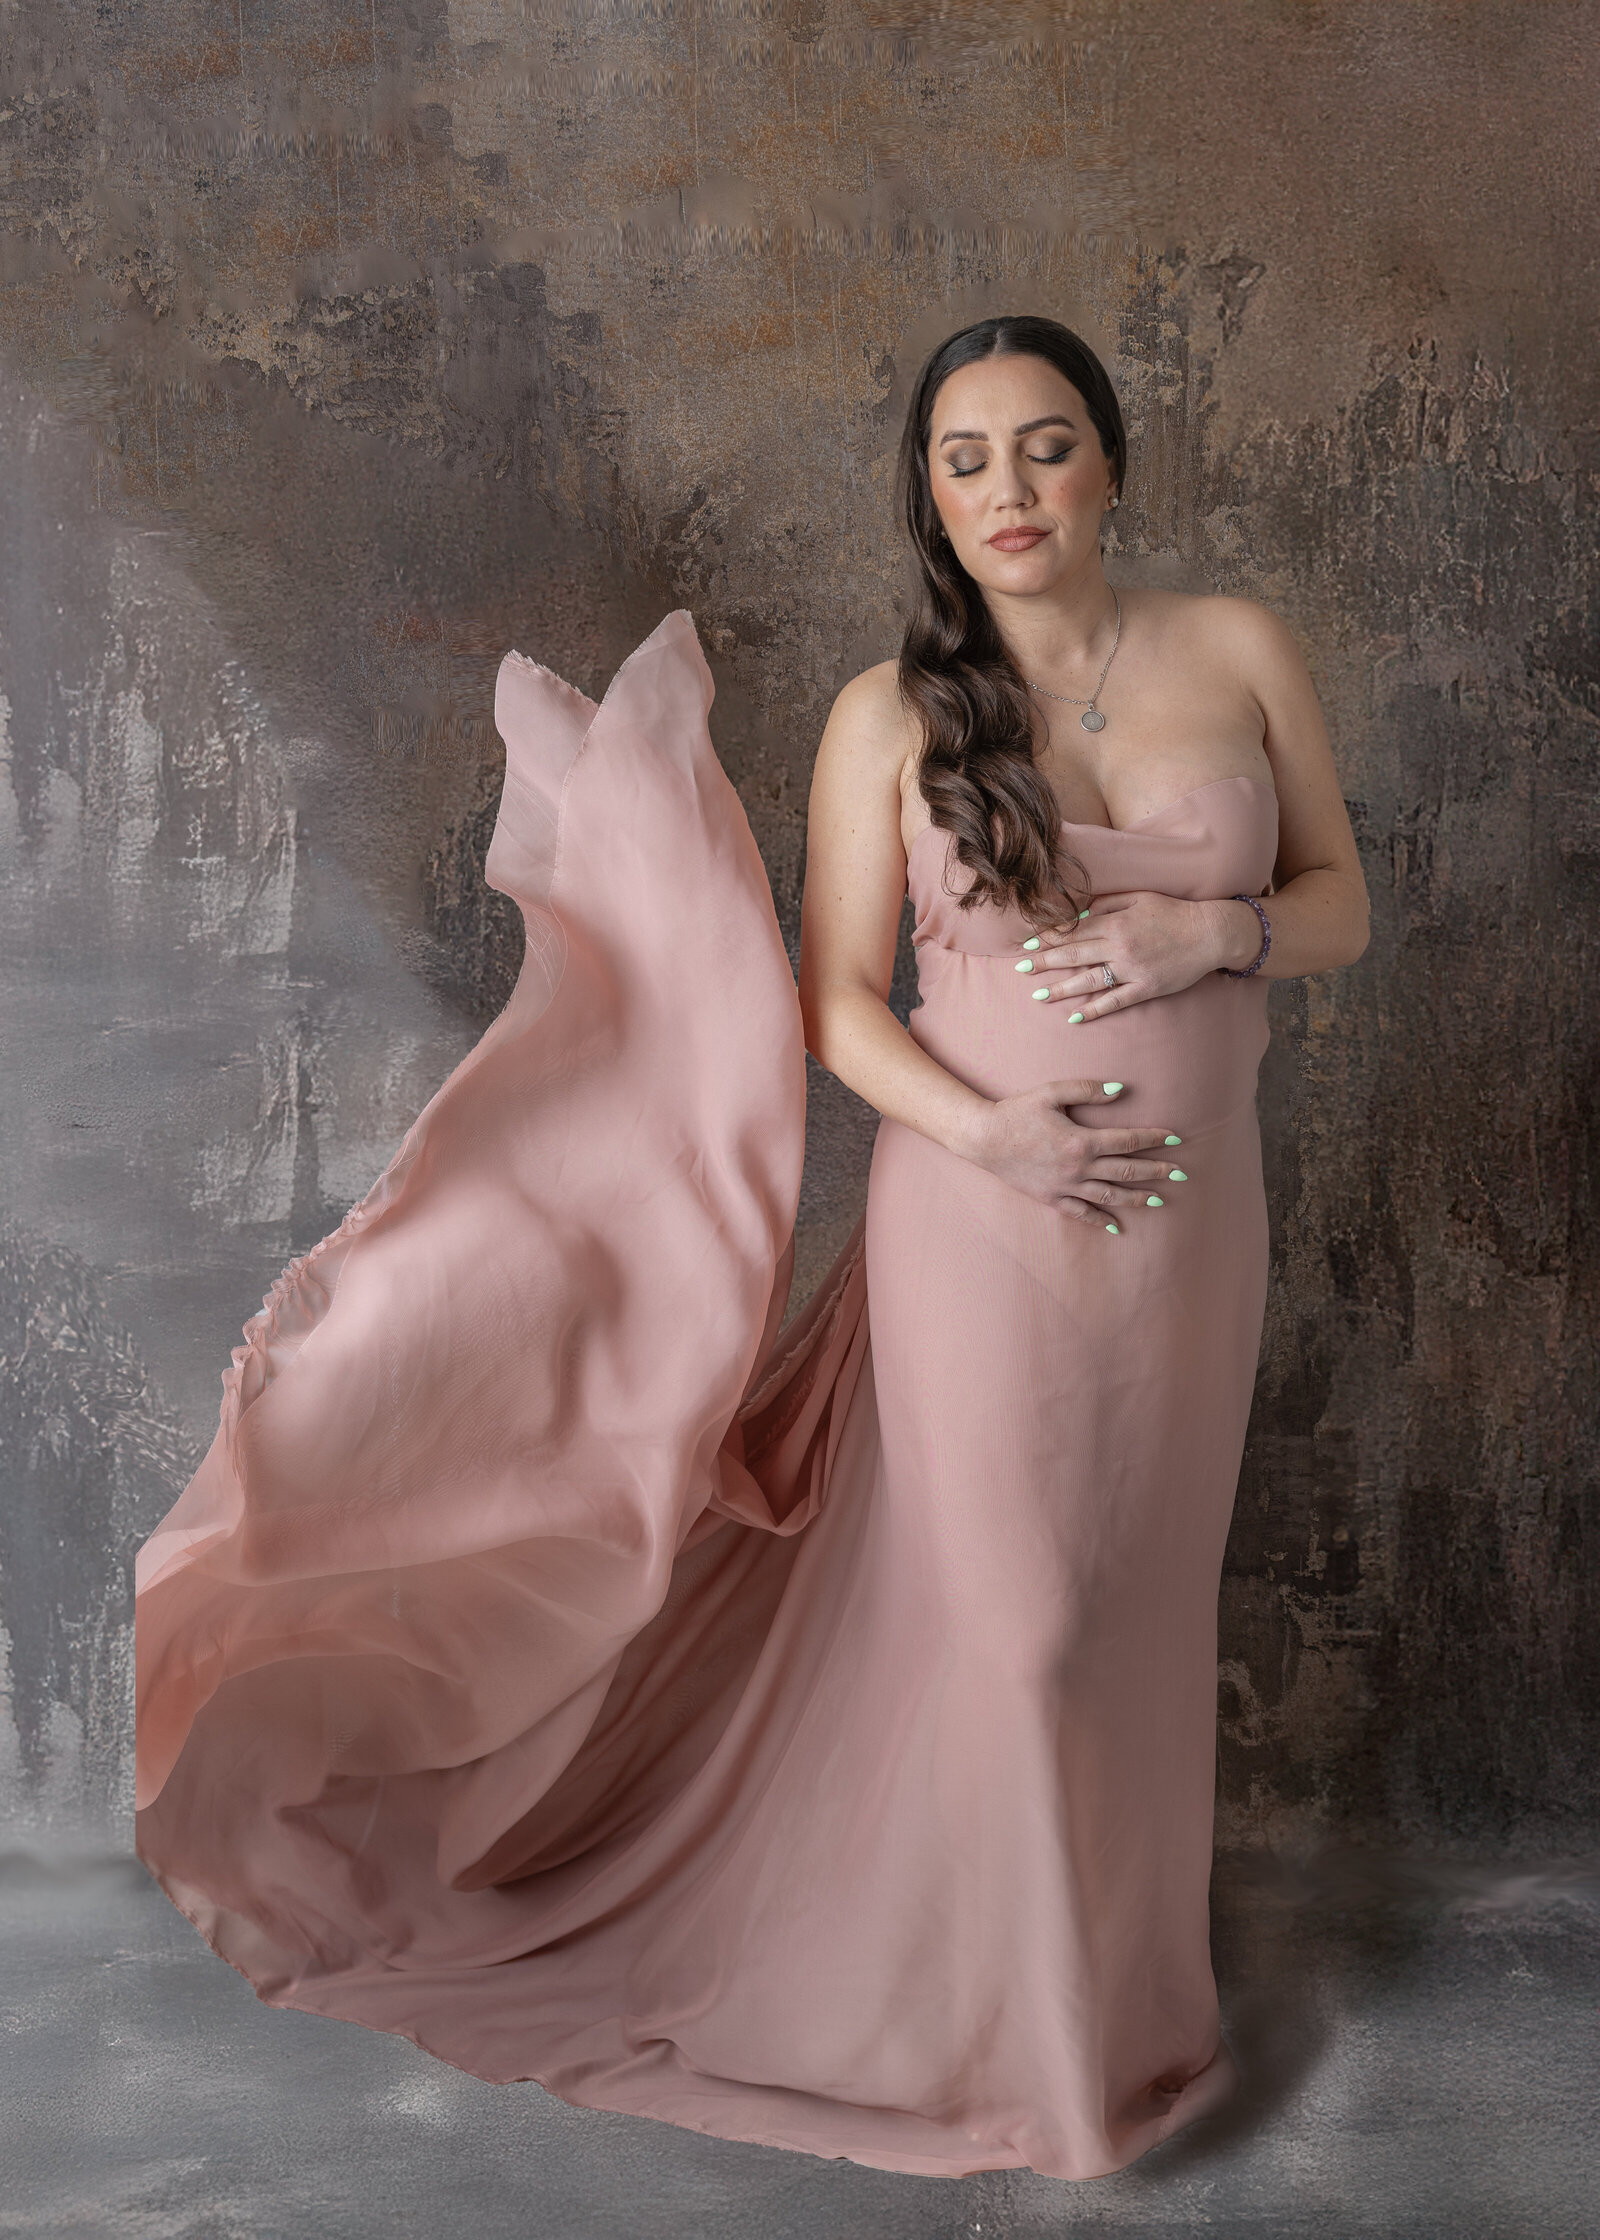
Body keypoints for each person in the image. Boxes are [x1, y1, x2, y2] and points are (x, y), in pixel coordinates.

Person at [134, 314, 1368, 2183]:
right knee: (1022, 1626)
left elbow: (1336, 898)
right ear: (930, 502)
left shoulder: (1241, 650)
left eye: (1044, 448)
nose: (1009, 492)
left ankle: (1125, 2013)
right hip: (985, 1226)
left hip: (1198, 1243)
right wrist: (992, 1135)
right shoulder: (892, 716)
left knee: (1131, 1615)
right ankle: (1023, 2059)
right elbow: (837, 1004)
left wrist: (1223, 940)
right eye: (965, 462)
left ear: (1111, 462)